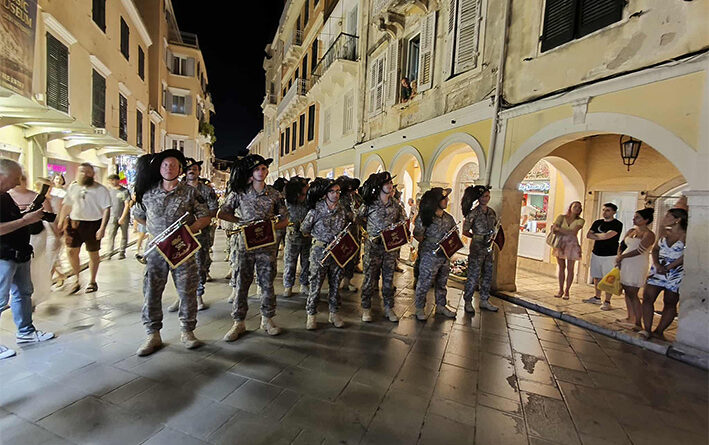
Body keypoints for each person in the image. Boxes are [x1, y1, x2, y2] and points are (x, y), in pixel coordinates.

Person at [132, 150, 211, 356]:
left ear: (180, 169)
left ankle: (187, 331)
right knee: (151, 291)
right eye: (165, 165)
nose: (169, 168)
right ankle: (153, 334)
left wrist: (187, 232)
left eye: (173, 165)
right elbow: (138, 215)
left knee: (187, 291)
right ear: (159, 168)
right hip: (156, 250)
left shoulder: (191, 192)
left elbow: (205, 217)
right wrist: (156, 230)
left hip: (181, 249)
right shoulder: (148, 192)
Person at [218, 154, 289, 341]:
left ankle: (267, 320)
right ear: (251, 172)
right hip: (245, 245)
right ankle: (238, 322)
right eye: (257, 169)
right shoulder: (239, 192)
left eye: (264, 168)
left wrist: (269, 228)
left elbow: (285, 219)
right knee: (242, 283)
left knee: (267, 283)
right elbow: (222, 213)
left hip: (267, 245)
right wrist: (241, 221)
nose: (261, 172)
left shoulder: (274, 194)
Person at [0, 159, 55, 360]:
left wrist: (27, 215)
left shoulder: (5, 196)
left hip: (20, 252)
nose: (17, 183)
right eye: (15, 178)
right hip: (3, 256)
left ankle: (26, 332)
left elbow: (10, 220)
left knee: (23, 293)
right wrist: (25, 220)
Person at [167, 158, 218, 312]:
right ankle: (180, 296)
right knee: (178, 266)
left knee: (200, 265)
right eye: (188, 169)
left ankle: (198, 295)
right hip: (180, 235)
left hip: (201, 233)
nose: (191, 171)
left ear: (198, 171)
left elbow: (214, 209)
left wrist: (199, 219)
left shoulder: (207, 190)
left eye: (194, 169)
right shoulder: (176, 188)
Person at [300, 178, 352, 329]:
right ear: (325, 194)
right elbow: (304, 229)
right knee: (315, 284)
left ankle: (334, 313)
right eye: (332, 191)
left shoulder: (342, 210)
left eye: (338, 191)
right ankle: (311, 315)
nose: (336, 194)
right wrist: (318, 238)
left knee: (335, 284)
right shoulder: (315, 210)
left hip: (337, 251)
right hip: (319, 251)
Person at [357, 171, 405, 322]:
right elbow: (359, 218)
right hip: (373, 248)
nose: (390, 186)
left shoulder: (396, 205)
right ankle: (366, 308)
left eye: (391, 183)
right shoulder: (369, 204)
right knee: (369, 279)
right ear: (379, 186)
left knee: (389, 280)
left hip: (389, 249)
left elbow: (402, 221)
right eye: (386, 183)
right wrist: (368, 233)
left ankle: (389, 308)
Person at [58, 163, 112, 294]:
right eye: (82, 171)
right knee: (71, 251)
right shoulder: (73, 187)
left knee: (93, 253)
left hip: (93, 224)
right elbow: (67, 205)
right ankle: (77, 279)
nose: (85, 174)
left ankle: (92, 281)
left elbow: (106, 209)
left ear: (93, 174)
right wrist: (60, 222)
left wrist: (102, 228)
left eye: (88, 172)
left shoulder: (101, 189)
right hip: (74, 223)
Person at [9, 176, 57, 309]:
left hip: (35, 235)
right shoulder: (6, 197)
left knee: (32, 265)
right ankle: (19, 296)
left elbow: (50, 217)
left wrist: (56, 234)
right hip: (12, 237)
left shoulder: (38, 197)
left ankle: (30, 297)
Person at [640, 208, 686, 340]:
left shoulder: (686, 236)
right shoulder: (664, 232)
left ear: (677, 220)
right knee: (648, 297)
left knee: (670, 302)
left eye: (668, 216)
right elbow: (655, 249)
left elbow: (685, 255)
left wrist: (669, 267)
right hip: (658, 269)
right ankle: (646, 329)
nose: (664, 218)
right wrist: (656, 264)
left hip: (675, 272)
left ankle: (659, 331)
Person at [413, 187, 457, 321]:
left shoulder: (449, 218)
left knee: (442, 282)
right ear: (436, 201)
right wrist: (430, 245)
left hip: (444, 255)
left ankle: (441, 306)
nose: (447, 200)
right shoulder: (425, 217)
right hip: (429, 255)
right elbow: (418, 235)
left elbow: (455, 233)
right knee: (424, 282)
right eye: (444, 199)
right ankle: (419, 308)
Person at [461, 185, 499, 314]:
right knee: (473, 274)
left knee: (487, 273)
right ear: (479, 198)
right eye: (483, 196)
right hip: (477, 246)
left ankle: (484, 299)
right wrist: (476, 237)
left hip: (489, 246)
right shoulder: (473, 213)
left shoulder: (491, 212)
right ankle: (468, 301)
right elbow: (465, 231)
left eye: (488, 196)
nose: (486, 199)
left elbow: (495, 226)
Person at [616, 208, 655, 331]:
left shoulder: (649, 234)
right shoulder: (631, 231)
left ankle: (638, 321)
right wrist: (619, 256)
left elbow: (640, 250)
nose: (634, 219)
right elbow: (622, 244)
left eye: (638, 217)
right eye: (634, 216)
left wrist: (623, 256)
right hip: (625, 263)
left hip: (637, 263)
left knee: (633, 292)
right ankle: (630, 316)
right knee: (626, 290)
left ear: (646, 220)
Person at [584, 203, 623, 310]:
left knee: (609, 278)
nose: (605, 212)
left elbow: (607, 236)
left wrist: (597, 236)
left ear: (614, 212)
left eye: (608, 210)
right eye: (604, 210)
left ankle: (607, 301)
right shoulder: (597, 222)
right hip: (596, 253)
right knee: (597, 276)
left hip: (610, 255)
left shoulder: (617, 224)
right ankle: (597, 297)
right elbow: (589, 235)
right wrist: (600, 236)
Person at [282, 176, 311, 297]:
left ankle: (304, 284)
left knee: (306, 262)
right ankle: (288, 286)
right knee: (290, 262)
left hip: (307, 237)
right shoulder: (287, 203)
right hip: (292, 237)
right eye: (303, 193)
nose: (304, 196)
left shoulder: (309, 202)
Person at [550, 201, 585, 299]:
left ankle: (567, 290)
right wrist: (562, 230)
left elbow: (573, 232)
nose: (577, 208)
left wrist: (559, 229)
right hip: (560, 243)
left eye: (579, 207)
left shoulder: (580, 220)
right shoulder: (561, 217)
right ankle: (560, 289)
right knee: (561, 267)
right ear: (571, 207)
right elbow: (554, 229)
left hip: (572, 244)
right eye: (575, 206)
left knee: (570, 268)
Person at [338, 176, 362, 293]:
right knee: (340, 258)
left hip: (354, 232)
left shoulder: (355, 197)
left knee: (351, 257)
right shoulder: (339, 198)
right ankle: (336, 283)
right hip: (342, 233)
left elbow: (362, 206)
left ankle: (347, 282)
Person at [106, 174, 132, 260]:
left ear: (117, 180)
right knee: (111, 234)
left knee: (124, 234)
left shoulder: (124, 191)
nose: (110, 182)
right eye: (109, 181)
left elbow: (127, 205)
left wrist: (123, 217)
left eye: (111, 180)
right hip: (112, 216)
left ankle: (122, 251)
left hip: (123, 216)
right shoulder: (109, 191)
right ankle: (109, 252)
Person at [49, 174, 67, 287]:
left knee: (54, 250)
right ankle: (59, 274)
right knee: (50, 252)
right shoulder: (50, 192)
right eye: (56, 178)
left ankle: (51, 278)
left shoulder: (65, 193)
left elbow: (65, 209)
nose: (58, 180)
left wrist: (63, 222)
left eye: (60, 179)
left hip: (58, 221)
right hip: (48, 222)